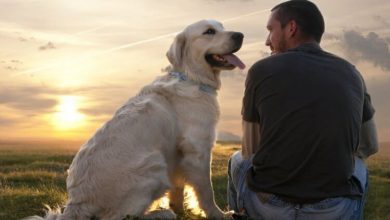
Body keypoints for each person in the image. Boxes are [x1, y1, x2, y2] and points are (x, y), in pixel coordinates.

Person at [227, 0, 379, 219]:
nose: (267, 40)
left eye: (271, 30)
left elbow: (251, 149)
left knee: (237, 160)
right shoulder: (353, 74)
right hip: (333, 208)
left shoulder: (261, 70)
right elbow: (370, 145)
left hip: (271, 207)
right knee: (360, 168)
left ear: (291, 28)